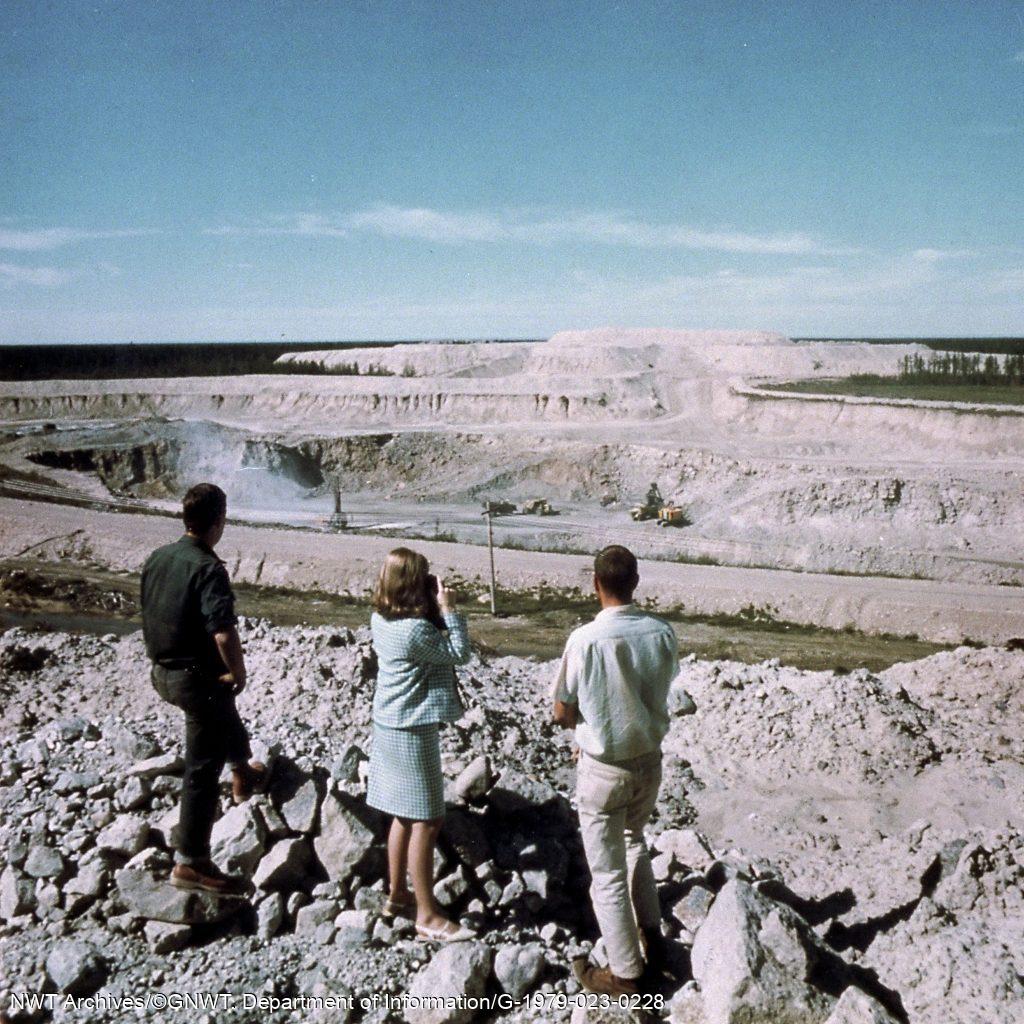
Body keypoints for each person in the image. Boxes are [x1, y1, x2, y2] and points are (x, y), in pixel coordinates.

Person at [552, 545, 679, 995]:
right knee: (634, 841)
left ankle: (625, 973)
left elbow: (562, 710)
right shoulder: (662, 633)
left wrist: (583, 720)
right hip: (648, 762)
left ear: (595, 583)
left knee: (605, 875)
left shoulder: (584, 640)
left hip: (604, 768)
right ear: (636, 582)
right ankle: (653, 936)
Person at [141, 483, 266, 895]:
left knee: (219, 699)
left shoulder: (159, 556)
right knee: (200, 765)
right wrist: (239, 671)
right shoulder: (208, 568)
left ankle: (242, 770)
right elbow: (223, 632)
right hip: (191, 680)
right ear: (218, 521)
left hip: (161, 671)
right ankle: (191, 861)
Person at [366, 547, 475, 942]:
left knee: (403, 814)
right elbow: (458, 653)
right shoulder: (417, 631)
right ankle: (427, 915)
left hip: (389, 724)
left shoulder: (381, 619)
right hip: (413, 729)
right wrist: (449, 609)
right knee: (428, 819)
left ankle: (397, 896)